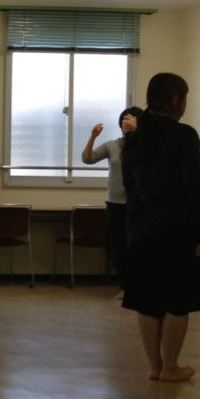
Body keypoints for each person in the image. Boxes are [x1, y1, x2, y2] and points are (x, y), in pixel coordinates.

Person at [121, 73, 200, 382]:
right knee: (178, 301)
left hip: (141, 230)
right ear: (175, 99)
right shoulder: (183, 136)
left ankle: (155, 366)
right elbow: (196, 186)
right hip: (177, 229)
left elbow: (130, 188)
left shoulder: (135, 138)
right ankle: (171, 367)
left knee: (147, 302)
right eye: (184, 98)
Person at [81, 106, 143, 297]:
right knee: (115, 245)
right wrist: (93, 137)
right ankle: (126, 286)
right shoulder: (112, 145)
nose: (126, 123)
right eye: (124, 120)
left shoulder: (146, 145)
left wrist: (138, 132)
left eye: (131, 120)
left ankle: (135, 287)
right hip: (115, 204)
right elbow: (87, 159)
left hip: (138, 204)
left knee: (136, 245)